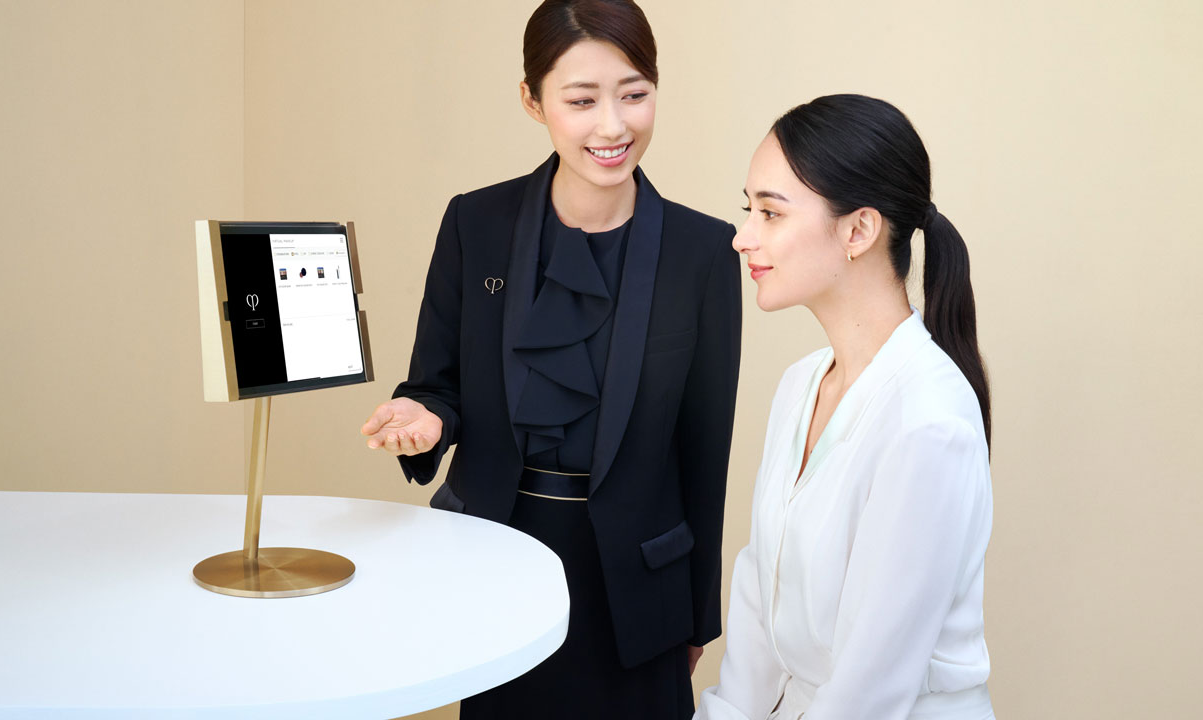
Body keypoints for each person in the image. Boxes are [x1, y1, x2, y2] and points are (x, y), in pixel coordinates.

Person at [359, 1, 741, 718]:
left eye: (634, 94)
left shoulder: (704, 252)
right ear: (533, 101)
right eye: (581, 100)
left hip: (637, 590)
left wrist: (697, 616)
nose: (613, 126)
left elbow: (704, 451)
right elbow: (434, 384)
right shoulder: (476, 223)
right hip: (497, 568)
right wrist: (421, 418)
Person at [697, 95, 994, 720]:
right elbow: (758, 598)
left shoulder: (929, 422)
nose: (742, 236)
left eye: (770, 213)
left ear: (858, 230)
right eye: (747, 209)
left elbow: (870, 690)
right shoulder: (802, 385)